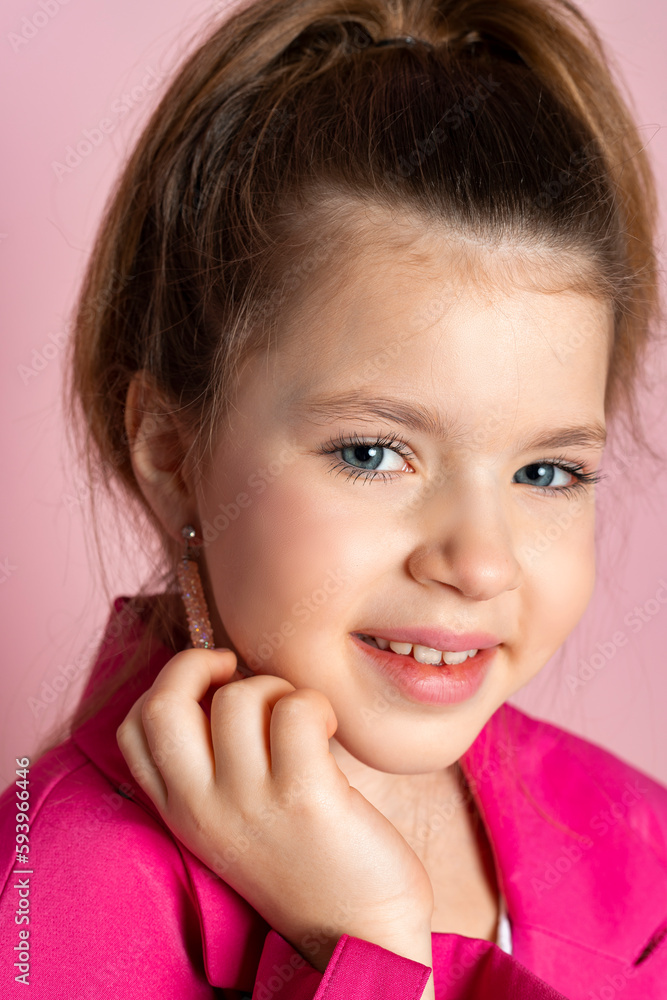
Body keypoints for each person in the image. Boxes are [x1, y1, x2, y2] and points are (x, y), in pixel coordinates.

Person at [1, 0, 666, 996]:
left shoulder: (638, 854)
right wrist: (366, 946)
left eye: (545, 472)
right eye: (372, 452)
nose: (480, 562)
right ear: (171, 450)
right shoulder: (49, 904)